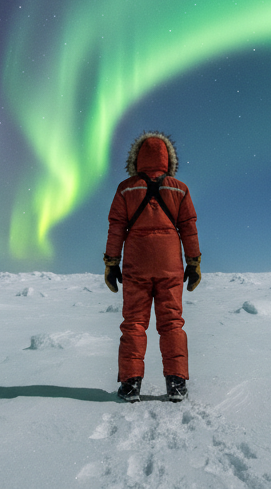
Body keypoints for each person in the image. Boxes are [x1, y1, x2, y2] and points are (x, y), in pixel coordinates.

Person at [103, 131, 201, 402]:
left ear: (136, 159)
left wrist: (112, 263)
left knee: (134, 322)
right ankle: (177, 384)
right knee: (172, 322)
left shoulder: (126, 188)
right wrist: (193, 262)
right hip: (170, 263)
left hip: (137, 263)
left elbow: (116, 227)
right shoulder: (180, 188)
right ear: (168, 159)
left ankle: (131, 385)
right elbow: (189, 227)